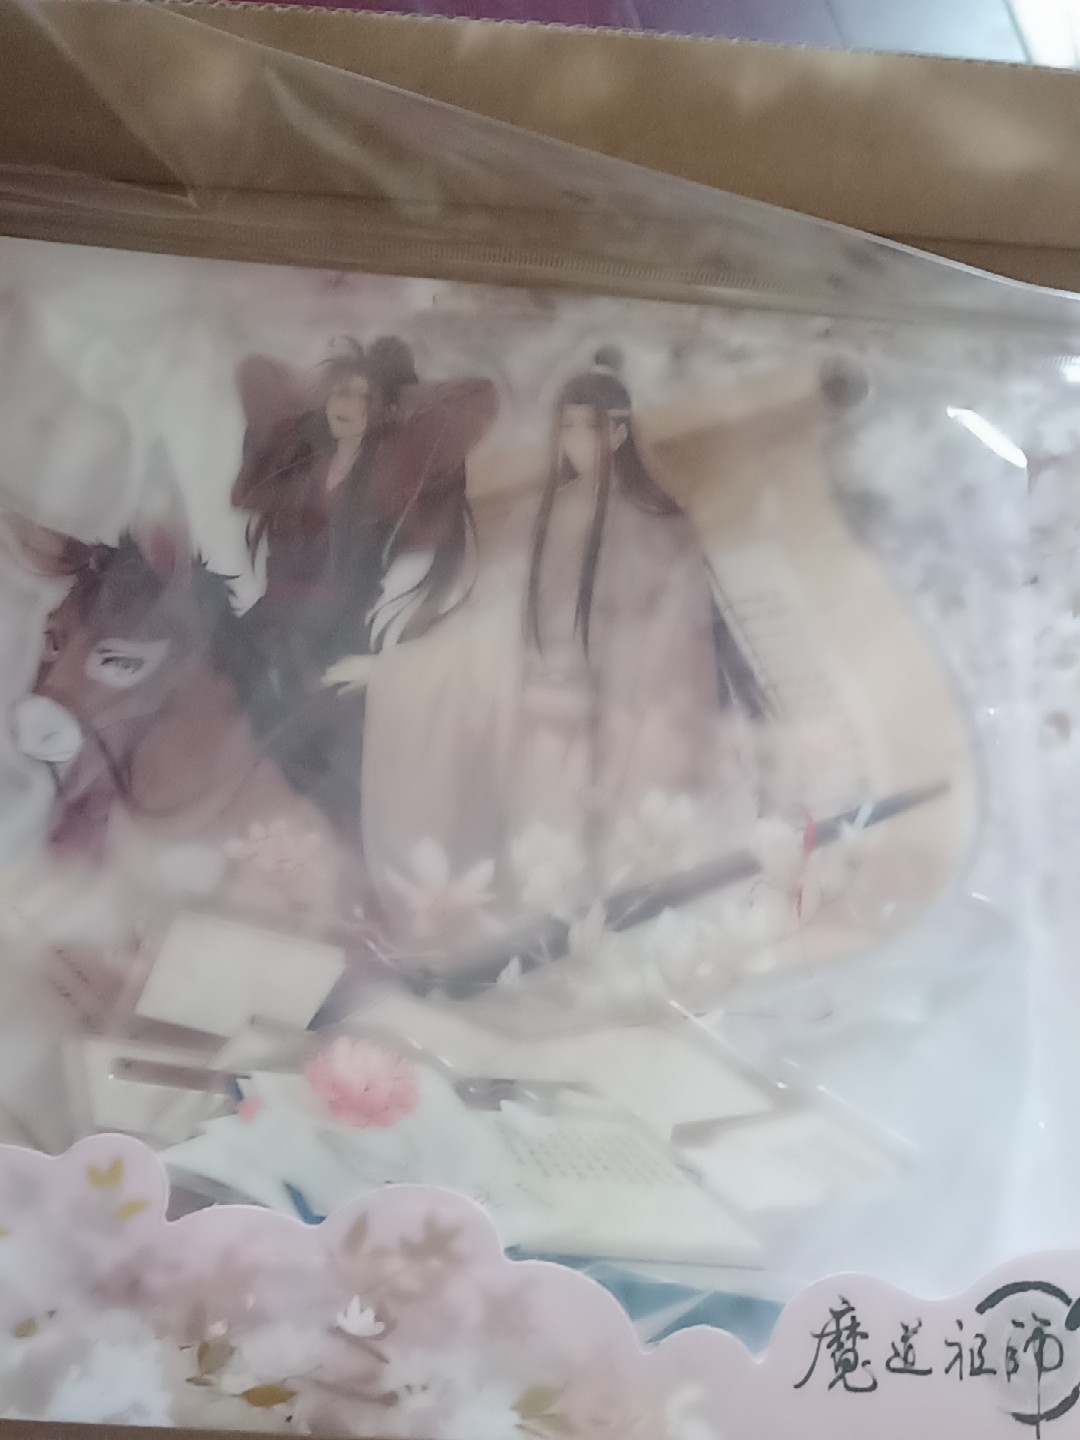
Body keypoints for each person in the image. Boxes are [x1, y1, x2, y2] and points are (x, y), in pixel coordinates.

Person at [507, 346, 770, 897]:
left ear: (618, 435)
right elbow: (519, 608)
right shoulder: (542, 514)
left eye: (589, 427)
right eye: (567, 426)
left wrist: (629, 711)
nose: (577, 440)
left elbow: (674, 626)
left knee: (636, 820)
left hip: (638, 684)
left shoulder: (656, 520)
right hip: (553, 684)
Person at [230, 337, 497, 831]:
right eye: (340, 392)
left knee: (336, 755)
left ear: (379, 412)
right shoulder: (301, 460)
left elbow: (471, 398)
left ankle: (346, 826)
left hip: (338, 633)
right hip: (274, 619)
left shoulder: (388, 479)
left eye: (362, 397)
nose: (347, 405)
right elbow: (257, 374)